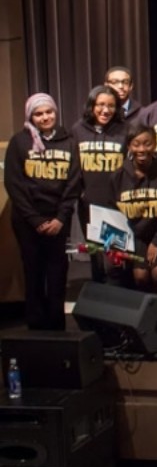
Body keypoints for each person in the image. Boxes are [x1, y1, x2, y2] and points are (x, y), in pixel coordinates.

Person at [4, 93, 81, 330]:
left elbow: (75, 181)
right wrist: (35, 219)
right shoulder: (19, 142)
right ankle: (36, 325)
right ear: (31, 116)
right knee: (33, 270)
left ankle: (57, 324)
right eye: (39, 113)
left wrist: (60, 218)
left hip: (58, 219)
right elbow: (14, 183)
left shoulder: (69, 141)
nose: (45, 117)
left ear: (55, 113)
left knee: (57, 272)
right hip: (27, 220)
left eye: (49, 112)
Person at [110, 123, 157, 294]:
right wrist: (118, 244)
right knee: (140, 276)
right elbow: (112, 211)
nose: (142, 149)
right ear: (129, 146)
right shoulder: (118, 176)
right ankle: (144, 316)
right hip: (134, 237)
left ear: (155, 144)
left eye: (147, 143)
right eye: (136, 144)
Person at [71, 85, 127, 282]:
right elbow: (74, 168)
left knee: (116, 261)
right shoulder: (78, 130)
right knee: (96, 259)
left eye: (111, 106)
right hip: (89, 205)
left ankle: (118, 306)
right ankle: (99, 307)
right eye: (101, 105)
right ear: (91, 106)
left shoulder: (125, 130)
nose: (106, 110)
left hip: (117, 206)